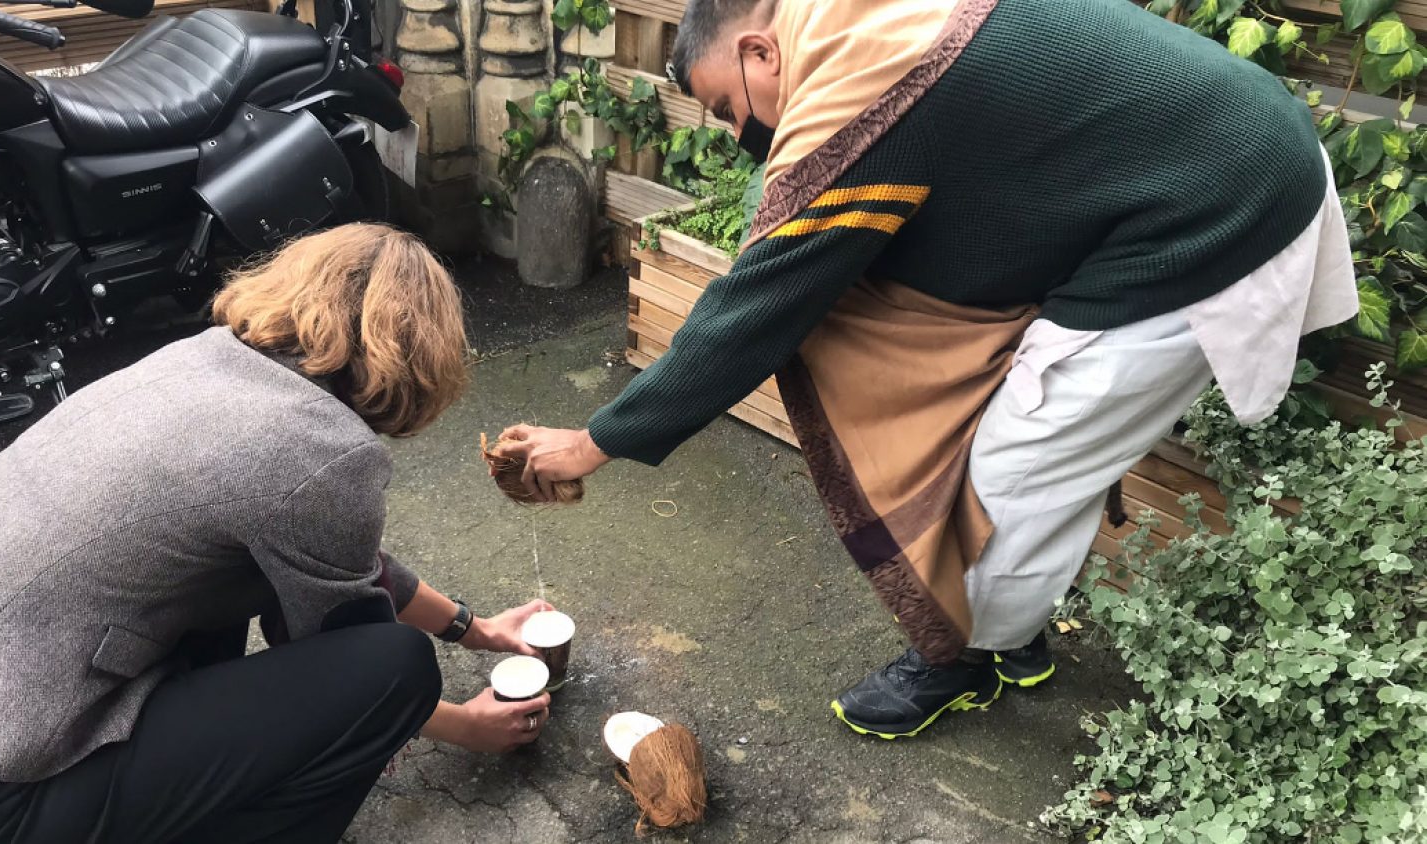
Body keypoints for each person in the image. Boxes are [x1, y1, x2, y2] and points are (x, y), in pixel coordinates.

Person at [496, 0, 1358, 741]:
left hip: (1218, 208)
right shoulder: (865, 20)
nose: (735, 135)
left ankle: (966, 657)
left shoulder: (863, 88)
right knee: (1034, 435)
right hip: (1204, 165)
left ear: (761, 52)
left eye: (727, 107)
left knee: (1013, 465)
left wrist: (594, 441)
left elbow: (758, 309)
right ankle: (1009, 630)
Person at [0, 224, 554, 843]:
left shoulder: (199, 360)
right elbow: (356, 655)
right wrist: (464, 725)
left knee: (240, 576)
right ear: (419, 356)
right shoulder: (322, 446)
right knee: (399, 668)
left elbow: (336, 563)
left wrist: (474, 629)